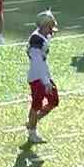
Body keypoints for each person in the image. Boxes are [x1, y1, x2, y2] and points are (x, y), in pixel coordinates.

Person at [25, 10, 59, 144]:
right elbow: (37, 62)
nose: (51, 30)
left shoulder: (42, 35)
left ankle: (32, 122)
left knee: (53, 101)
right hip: (37, 76)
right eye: (50, 27)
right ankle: (32, 133)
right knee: (36, 104)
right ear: (44, 26)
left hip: (43, 74)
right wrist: (46, 82)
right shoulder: (36, 40)